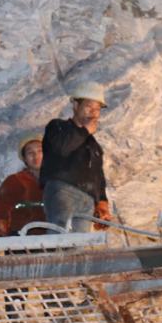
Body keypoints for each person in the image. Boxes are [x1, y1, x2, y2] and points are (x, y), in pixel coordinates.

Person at [40, 82, 114, 232]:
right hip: (63, 190)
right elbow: (62, 148)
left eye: (97, 109)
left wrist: (102, 202)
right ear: (75, 105)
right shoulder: (58, 127)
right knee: (60, 235)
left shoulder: (93, 144)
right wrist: (84, 131)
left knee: (80, 241)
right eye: (89, 106)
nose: (93, 113)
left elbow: (97, 175)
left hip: (87, 199)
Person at [0, 134, 46, 237]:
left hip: (54, 238)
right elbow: (2, 212)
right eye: (30, 153)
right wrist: (1, 232)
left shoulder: (58, 182)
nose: (36, 156)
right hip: (21, 238)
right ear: (24, 158)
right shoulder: (13, 181)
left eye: (40, 151)